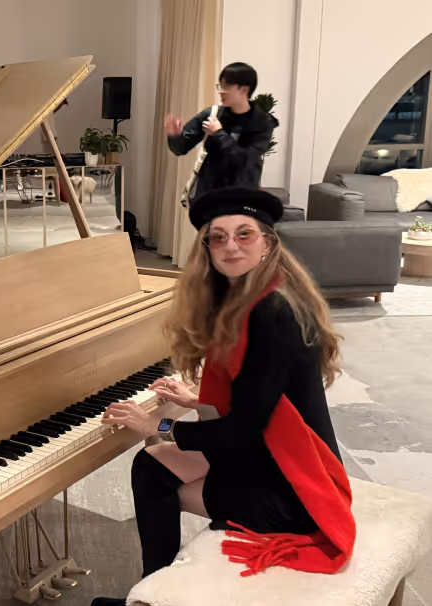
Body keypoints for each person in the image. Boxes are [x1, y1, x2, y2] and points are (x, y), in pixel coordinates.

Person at [92, 188, 355, 605]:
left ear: (267, 242)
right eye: (218, 237)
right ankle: (153, 591)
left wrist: (158, 424)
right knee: (153, 463)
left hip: (292, 493)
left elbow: (242, 432)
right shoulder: (253, 297)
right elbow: (260, 398)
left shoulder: (272, 314)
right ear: (208, 249)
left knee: (154, 478)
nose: (230, 245)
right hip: (275, 458)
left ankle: (153, 598)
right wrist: (197, 400)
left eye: (244, 234)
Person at [166, 63, 278, 200]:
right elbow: (180, 149)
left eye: (226, 86)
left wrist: (219, 133)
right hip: (208, 197)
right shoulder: (212, 114)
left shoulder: (261, 122)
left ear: (244, 90)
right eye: (220, 86)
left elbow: (245, 161)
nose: (221, 91)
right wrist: (175, 134)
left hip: (242, 199)